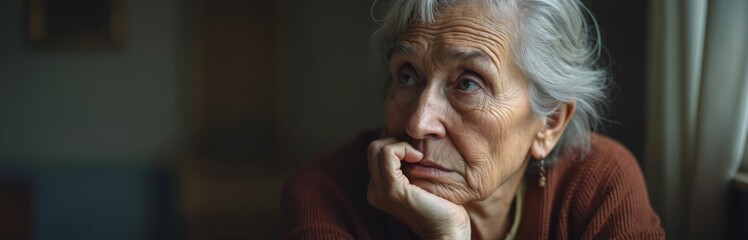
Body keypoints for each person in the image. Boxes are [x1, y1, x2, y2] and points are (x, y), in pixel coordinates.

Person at [281, 0, 665, 239]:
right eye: (408, 75)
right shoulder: (326, 194)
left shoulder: (600, 184)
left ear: (549, 123)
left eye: (468, 83)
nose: (418, 123)